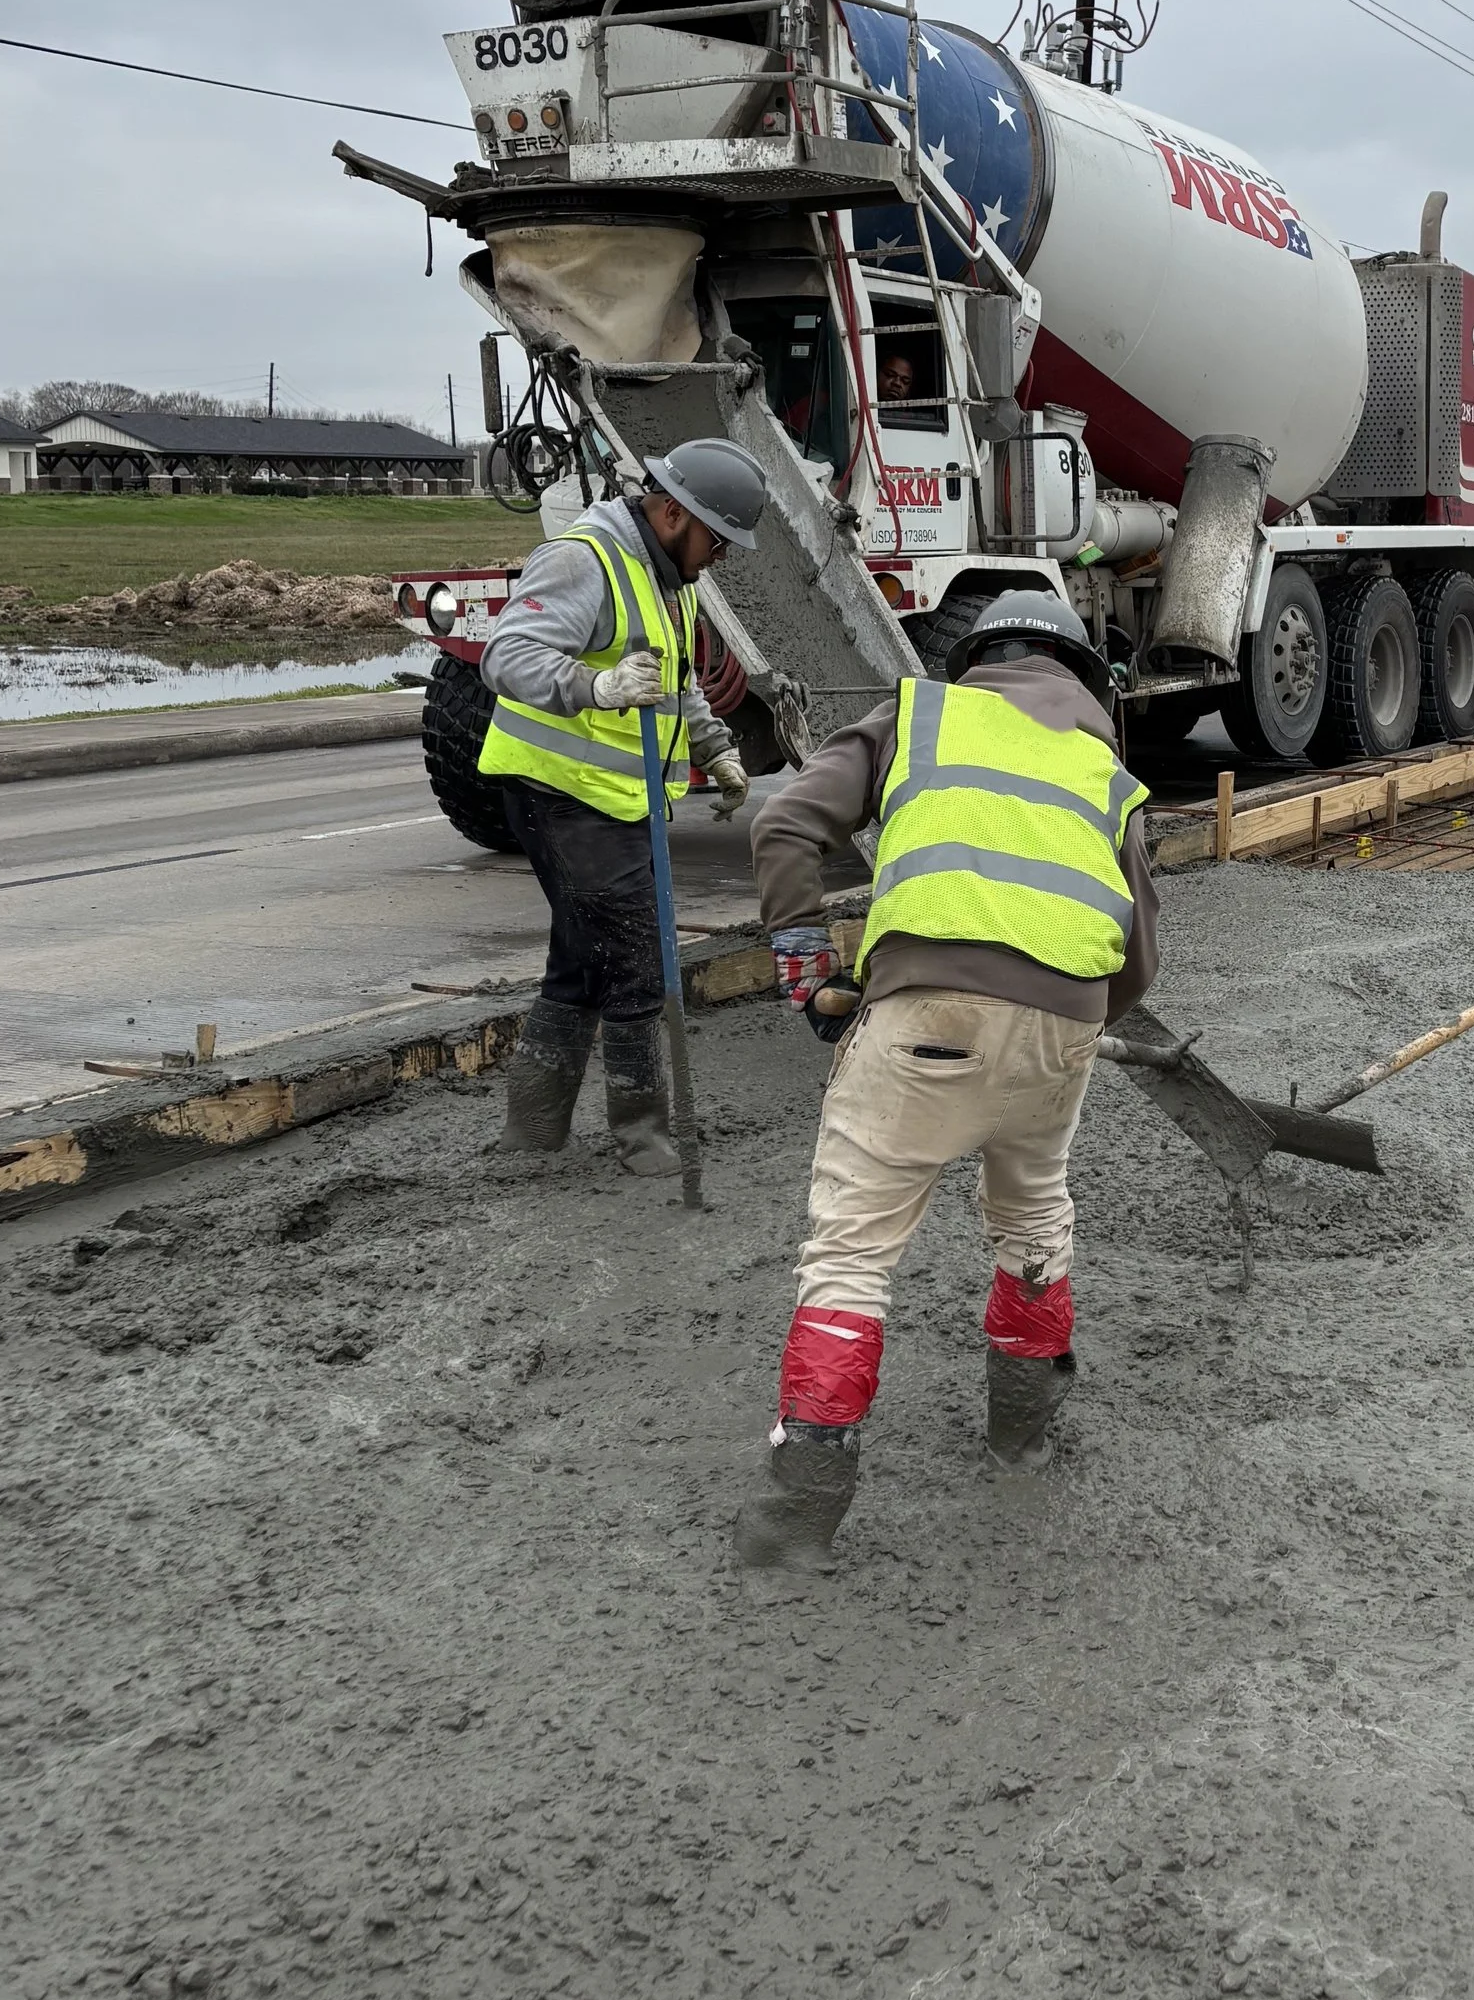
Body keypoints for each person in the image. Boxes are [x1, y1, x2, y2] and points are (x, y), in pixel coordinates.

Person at [739, 589, 1157, 1568]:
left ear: (975, 661)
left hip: (921, 1013)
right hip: (1066, 1023)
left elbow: (784, 831)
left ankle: (805, 1501)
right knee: (1031, 1207)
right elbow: (1137, 965)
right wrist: (1066, 1039)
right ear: (1082, 679)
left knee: (852, 1248)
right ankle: (1020, 1426)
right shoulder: (1107, 773)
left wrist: (809, 974)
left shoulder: (919, 716)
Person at [478, 438, 765, 1171]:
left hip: (616, 797)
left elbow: (677, 679)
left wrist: (714, 747)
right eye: (718, 539)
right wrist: (596, 686)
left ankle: (532, 1132)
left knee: (582, 957)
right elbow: (506, 654)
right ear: (672, 512)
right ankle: (643, 1132)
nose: (721, 555)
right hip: (555, 792)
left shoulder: (673, 578)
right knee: (637, 952)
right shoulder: (585, 560)